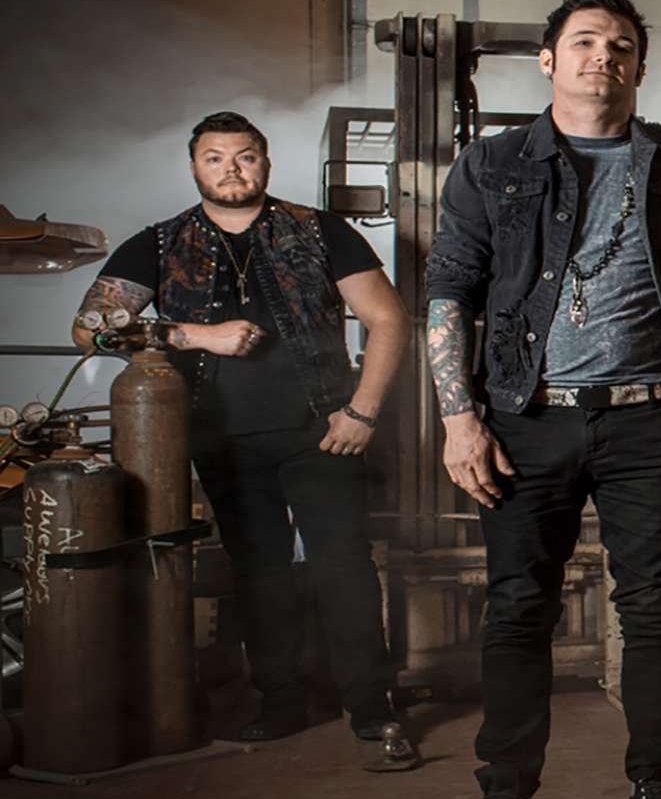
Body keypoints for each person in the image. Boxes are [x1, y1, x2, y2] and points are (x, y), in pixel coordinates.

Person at [424, 0, 661, 799]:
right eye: (586, 42)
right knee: (519, 606)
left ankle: (657, 783)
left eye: (622, 46)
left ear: (640, 68)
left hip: (647, 423)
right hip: (526, 419)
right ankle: (507, 784)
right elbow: (449, 290)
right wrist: (460, 419)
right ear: (548, 61)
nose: (605, 56)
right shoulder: (491, 165)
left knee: (655, 607)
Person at [72, 111, 409, 759]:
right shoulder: (160, 244)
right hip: (223, 439)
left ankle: (370, 704)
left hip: (325, 432)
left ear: (266, 162)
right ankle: (280, 702)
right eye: (215, 157)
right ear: (194, 166)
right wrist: (196, 335)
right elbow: (88, 328)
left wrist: (362, 412)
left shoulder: (319, 231)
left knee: (344, 566)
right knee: (260, 573)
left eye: (245, 156)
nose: (231, 169)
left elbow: (389, 319)